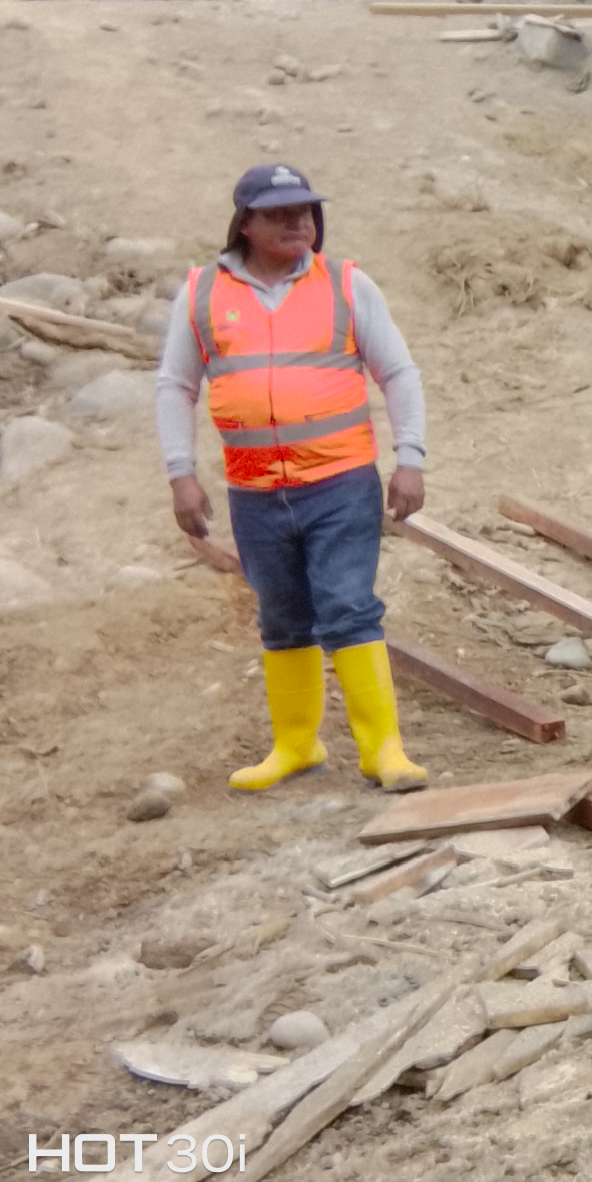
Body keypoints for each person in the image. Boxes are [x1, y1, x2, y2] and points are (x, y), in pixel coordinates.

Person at [160, 164, 432, 795]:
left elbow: (399, 373)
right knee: (281, 617)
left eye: (305, 211)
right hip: (254, 493)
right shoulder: (202, 293)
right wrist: (181, 474)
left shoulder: (346, 284)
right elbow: (175, 386)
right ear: (245, 224)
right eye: (279, 214)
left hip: (339, 483)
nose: (298, 223)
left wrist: (410, 457)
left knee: (348, 606)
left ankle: (383, 751)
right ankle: (296, 745)